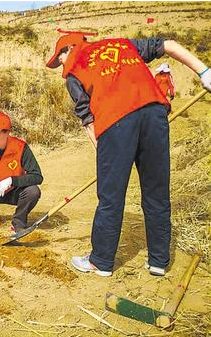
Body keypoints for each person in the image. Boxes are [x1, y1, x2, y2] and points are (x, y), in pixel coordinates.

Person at [46, 31, 211, 277]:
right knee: (157, 191)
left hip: (115, 122)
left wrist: (103, 154)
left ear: (66, 50)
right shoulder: (122, 45)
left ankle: (100, 261)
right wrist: (204, 72)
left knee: (111, 195)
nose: (59, 64)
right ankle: (158, 261)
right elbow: (168, 45)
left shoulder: (72, 71)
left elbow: (88, 119)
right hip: (154, 115)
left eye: (58, 58)